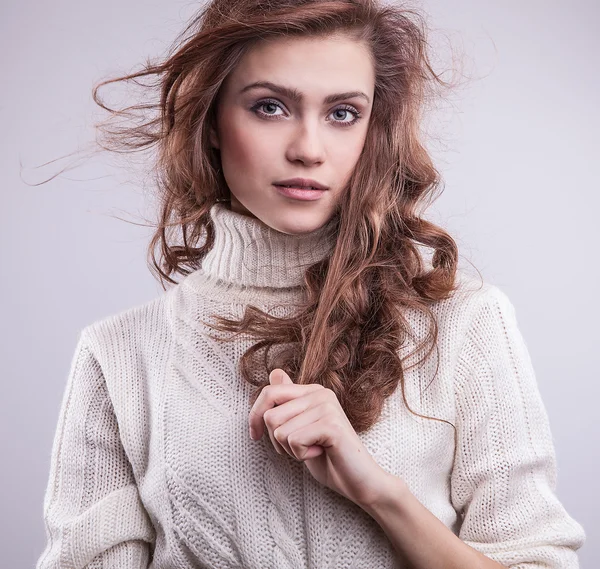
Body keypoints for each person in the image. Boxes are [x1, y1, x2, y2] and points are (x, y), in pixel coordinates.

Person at [35, 0, 586, 568]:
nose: (308, 149)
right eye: (270, 107)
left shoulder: (464, 323)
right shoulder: (119, 354)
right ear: (212, 120)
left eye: (342, 113)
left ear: (374, 129)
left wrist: (380, 492)